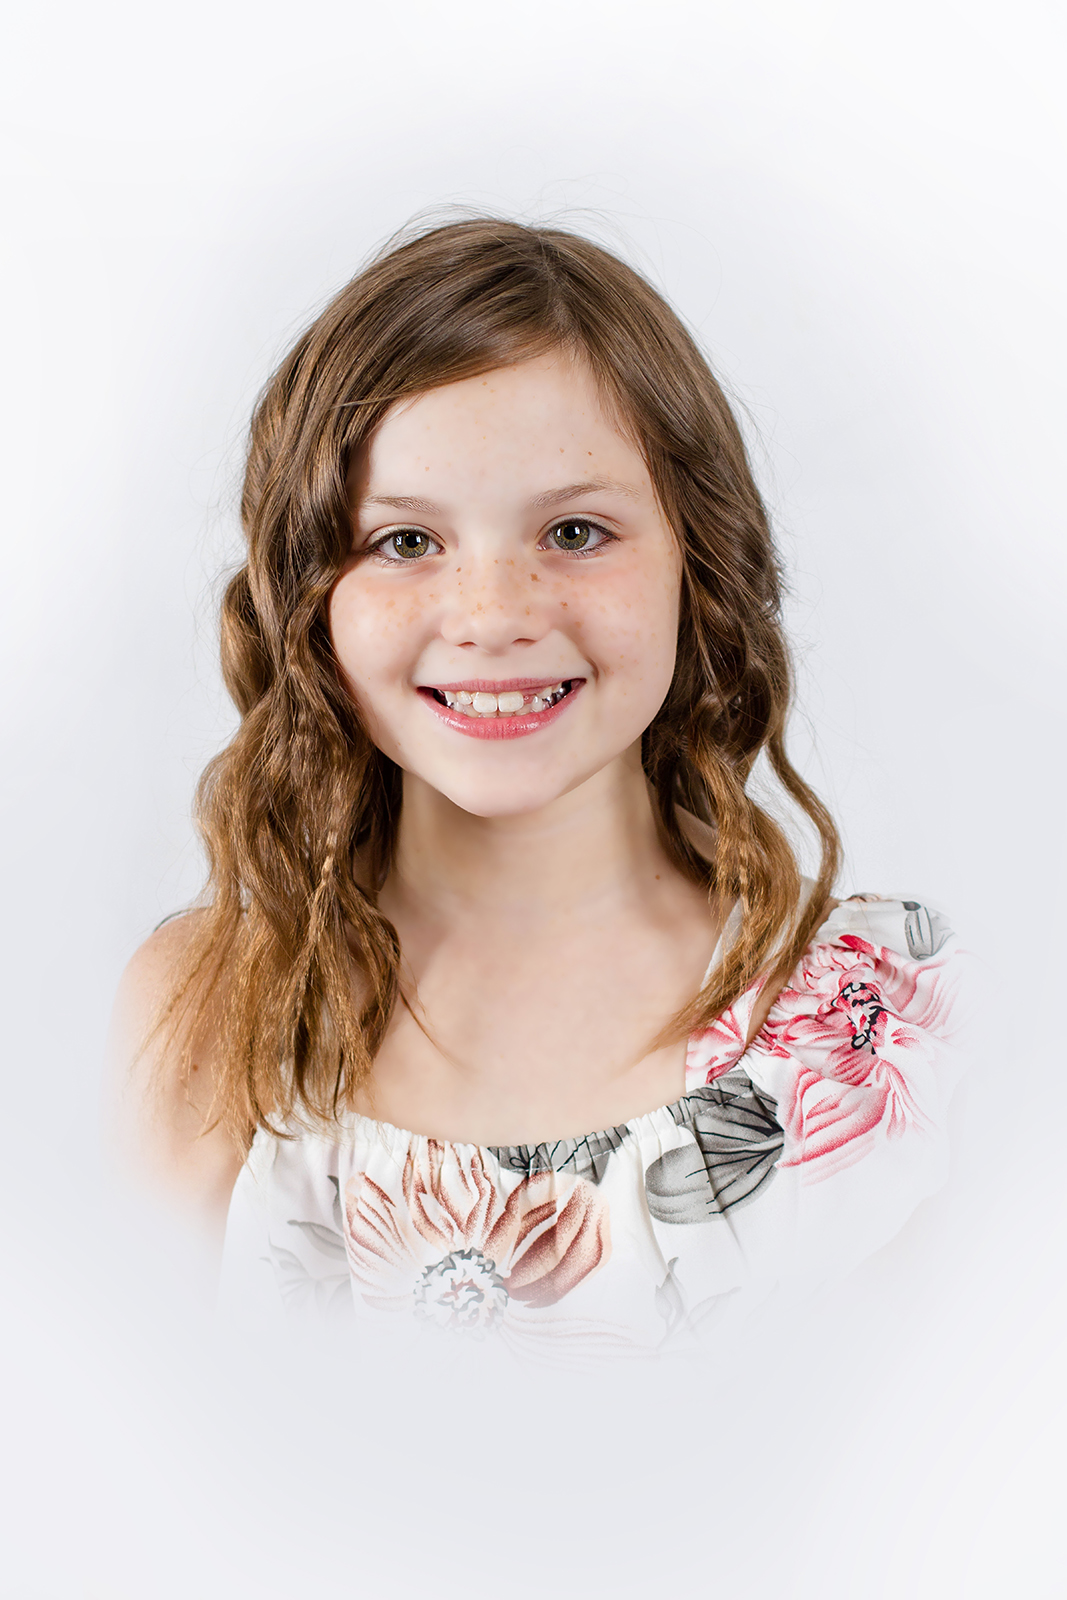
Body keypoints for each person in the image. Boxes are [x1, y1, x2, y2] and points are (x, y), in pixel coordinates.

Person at [110, 217, 966, 1359]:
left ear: (695, 569)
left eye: (573, 530)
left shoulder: (884, 1029)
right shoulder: (211, 1008)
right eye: (406, 542)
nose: (494, 613)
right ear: (309, 598)